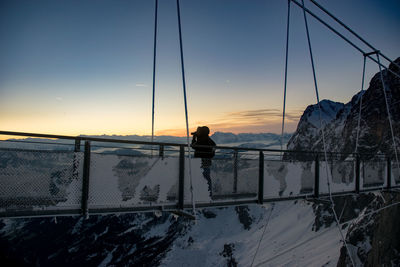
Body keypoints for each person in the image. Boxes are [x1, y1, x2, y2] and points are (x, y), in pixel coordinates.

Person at [191, 126, 216, 197]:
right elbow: (214, 146)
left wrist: (194, 138)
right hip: (206, 163)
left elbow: (193, 146)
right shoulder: (208, 139)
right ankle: (208, 195)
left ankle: (202, 195)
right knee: (207, 180)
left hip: (199, 163)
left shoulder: (201, 140)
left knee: (199, 180)